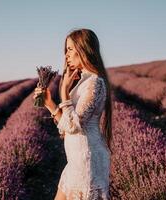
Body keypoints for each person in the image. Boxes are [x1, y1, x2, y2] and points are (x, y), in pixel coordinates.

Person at [33, 28, 112, 200]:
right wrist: (49, 103)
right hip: (76, 160)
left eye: (69, 49)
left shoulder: (95, 83)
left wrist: (63, 91)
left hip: (87, 161)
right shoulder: (83, 83)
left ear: (83, 49)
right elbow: (67, 128)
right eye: (65, 50)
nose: (65, 55)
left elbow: (74, 125)